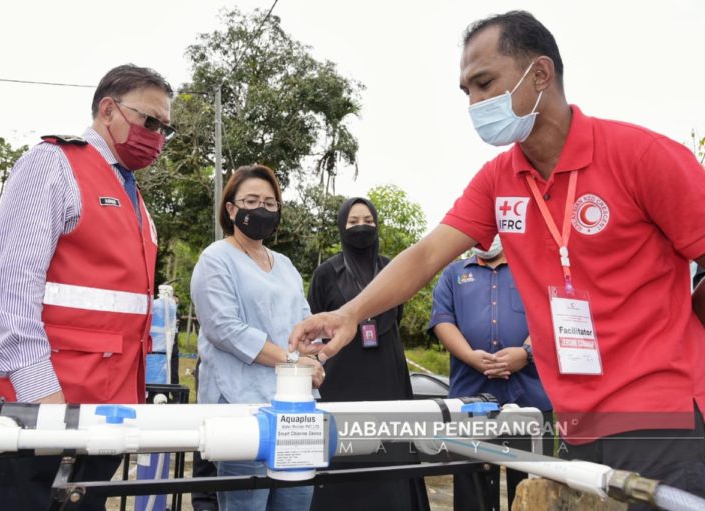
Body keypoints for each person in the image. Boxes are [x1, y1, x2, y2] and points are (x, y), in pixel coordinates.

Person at [290, 10, 705, 503]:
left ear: (541, 74)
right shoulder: (499, 180)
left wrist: (682, 322)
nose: (474, 103)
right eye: (466, 91)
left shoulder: (640, 156)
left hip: (659, 416)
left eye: (484, 83)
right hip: (571, 420)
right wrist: (349, 313)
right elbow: (425, 256)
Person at [0, 64, 174, 510]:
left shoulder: (133, 195)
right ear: (109, 109)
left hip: (104, 412)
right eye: (150, 121)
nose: (158, 136)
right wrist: (41, 399)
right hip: (44, 405)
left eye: (166, 128)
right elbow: (9, 288)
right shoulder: (54, 163)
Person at [191, 164, 323, 511]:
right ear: (231, 209)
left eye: (269, 203)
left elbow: (305, 323)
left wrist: (316, 356)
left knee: (296, 499)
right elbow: (225, 329)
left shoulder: (285, 265)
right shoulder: (216, 258)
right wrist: (296, 362)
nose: (261, 210)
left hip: (294, 407)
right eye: (251, 200)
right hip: (241, 407)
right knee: (245, 503)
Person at [306, 197, 429, 511]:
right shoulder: (326, 273)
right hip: (342, 378)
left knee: (391, 448)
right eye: (353, 222)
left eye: (368, 221)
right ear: (342, 227)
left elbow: (396, 314)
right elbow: (317, 321)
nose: (362, 227)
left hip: (387, 372)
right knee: (344, 450)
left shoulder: (391, 269)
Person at [429, 235, 551, 509]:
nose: (486, 236)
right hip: (470, 397)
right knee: (472, 487)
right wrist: (471, 357)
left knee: (534, 489)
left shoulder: (533, 268)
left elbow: (551, 314)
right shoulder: (454, 274)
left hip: (529, 396)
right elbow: (442, 320)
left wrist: (526, 353)